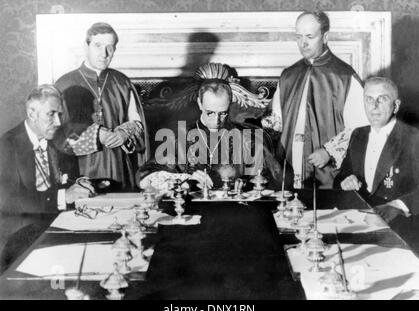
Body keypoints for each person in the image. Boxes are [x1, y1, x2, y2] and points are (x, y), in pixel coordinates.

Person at [268, 10, 368, 189]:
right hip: (289, 166)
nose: (303, 43)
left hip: (326, 171)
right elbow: (276, 122)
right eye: (298, 37)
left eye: (309, 36)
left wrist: (330, 151)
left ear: (325, 36)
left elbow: (361, 128)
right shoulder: (288, 75)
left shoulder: (344, 76)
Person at [0, 84, 94, 272]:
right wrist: (63, 197)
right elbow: (9, 202)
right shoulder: (7, 145)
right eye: (51, 114)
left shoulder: (56, 141)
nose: (58, 122)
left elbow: (67, 180)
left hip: (55, 226)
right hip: (18, 237)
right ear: (32, 113)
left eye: (60, 114)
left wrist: (79, 183)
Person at [136, 78, 278, 192]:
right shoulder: (178, 137)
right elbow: (146, 177)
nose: (216, 120)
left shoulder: (248, 137)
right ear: (199, 104)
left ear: (230, 105)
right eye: (210, 112)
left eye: (222, 113)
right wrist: (187, 179)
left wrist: (244, 183)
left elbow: (271, 179)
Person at [54, 22, 149, 191]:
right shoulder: (64, 84)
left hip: (119, 167)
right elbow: (56, 134)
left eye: (110, 48)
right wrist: (96, 135)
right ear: (86, 46)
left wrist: (124, 133)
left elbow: (138, 124)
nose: (104, 53)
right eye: (98, 46)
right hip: (82, 170)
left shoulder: (122, 82)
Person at [334, 77, 419, 226]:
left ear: (396, 105)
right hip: (359, 221)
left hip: (400, 226)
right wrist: (345, 181)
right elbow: (341, 176)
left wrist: (397, 206)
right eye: (369, 99)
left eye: (382, 99)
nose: (374, 106)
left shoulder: (413, 138)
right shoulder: (358, 134)